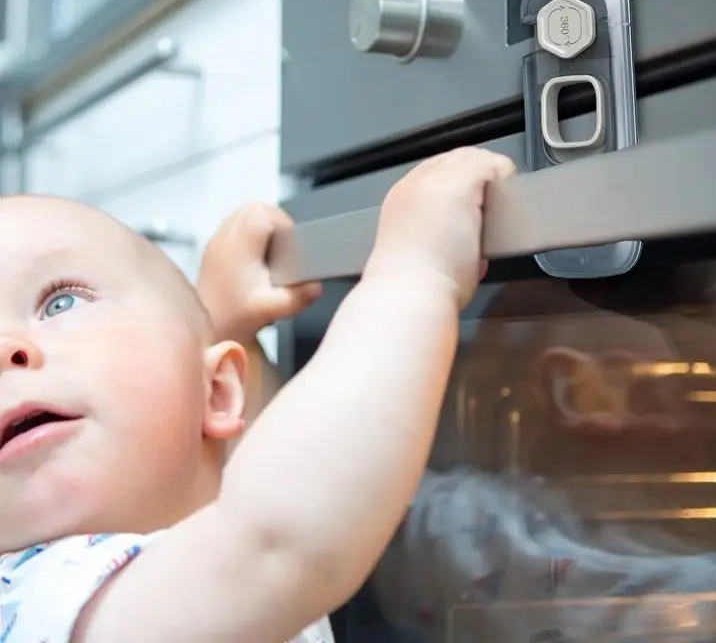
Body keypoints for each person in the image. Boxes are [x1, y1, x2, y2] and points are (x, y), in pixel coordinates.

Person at [0, 146, 516, 642]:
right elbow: (279, 539)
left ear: (220, 392)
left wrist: (224, 325)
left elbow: (270, 473)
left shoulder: (202, 540)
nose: (7, 350)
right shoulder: (35, 598)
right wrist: (413, 274)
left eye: (60, 302)